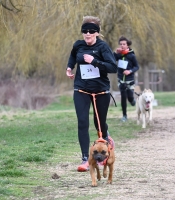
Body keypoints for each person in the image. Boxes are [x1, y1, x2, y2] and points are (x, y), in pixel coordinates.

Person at [66, 16, 117, 172]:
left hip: (101, 90)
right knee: (82, 122)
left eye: (91, 31)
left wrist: (94, 61)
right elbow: (73, 55)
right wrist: (69, 67)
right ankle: (85, 159)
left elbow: (113, 67)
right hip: (81, 88)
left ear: (97, 33)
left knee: (99, 123)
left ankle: (106, 138)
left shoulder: (103, 47)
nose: (87, 34)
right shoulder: (78, 45)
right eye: (85, 31)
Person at [113, 36, 139, 122]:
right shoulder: (119, 55)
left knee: (130, 97)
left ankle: (132, 101)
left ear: (127, 45)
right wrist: (115, 53)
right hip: (121, 79)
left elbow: (137, 67)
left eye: (124, 44)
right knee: (123, 97)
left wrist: (130, 71)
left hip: (130, 80)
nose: (122, 46)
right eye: (120, 44)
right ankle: (124, 116)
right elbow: (111, 59)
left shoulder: (131, 55)